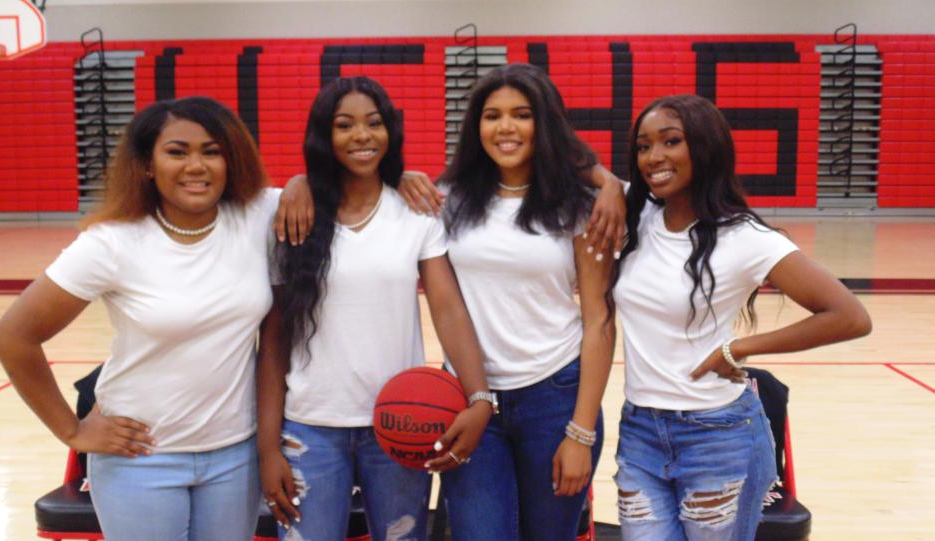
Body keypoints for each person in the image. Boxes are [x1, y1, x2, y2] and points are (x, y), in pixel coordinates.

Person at [0, 97, 278, 540]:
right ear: (147, 164)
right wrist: (72, 430)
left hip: (234, 456)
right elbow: (13, 337)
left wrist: (409, 178)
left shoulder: (257, 216)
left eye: (212, 151)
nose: (196, 165)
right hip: (142, 457)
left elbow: (340, 189)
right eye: (177, 152)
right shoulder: (113, 243)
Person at [612, 94, 872, 541]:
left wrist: (739, 348)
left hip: (718, 437)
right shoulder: (638, 215)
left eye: (670, 141)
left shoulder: (744, 236)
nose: (654, 157)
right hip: (640, 431)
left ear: (705, 147)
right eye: (643, 146)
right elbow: (575, 167)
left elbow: (849, 316)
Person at [256, 76, 492, 541]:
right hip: (311, 426)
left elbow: (449, 311)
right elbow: (275, 340)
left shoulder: (415, 212)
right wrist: (268, 448)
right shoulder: (292, 215)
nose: (362, 136)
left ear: (391, 131)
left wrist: (479, 396)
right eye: (344, 125)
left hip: (401, 421)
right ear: (324, 136)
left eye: (374, 123)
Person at [425, 62, 616, 541]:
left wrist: (581, 431)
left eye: (522, 114)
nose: (505, 127)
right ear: (477, 126)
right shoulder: (447, 197)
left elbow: (598, 322)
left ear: (544, 122)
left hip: (554, 397)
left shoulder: (579, 203)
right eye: (492, 115)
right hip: (469, 398)